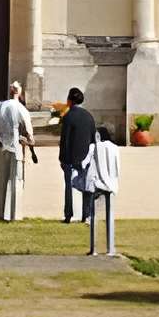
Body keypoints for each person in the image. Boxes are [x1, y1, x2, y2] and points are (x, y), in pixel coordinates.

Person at [0, 81, 35, 222]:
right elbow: (29, 132)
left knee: (0, 180)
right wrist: (29, 140)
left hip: (0, 146)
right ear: (19, 92)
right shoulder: (20, 108)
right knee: (15, 180)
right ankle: (14, 214)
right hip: (16, 147)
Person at [55, 87, 98, 223]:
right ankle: (86, 214)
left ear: (69, 100)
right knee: (86, 186)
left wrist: (62, 158)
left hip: (70, 157)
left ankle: (70, 214)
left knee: (70, 187)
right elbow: (93, 139)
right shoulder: (89, 116)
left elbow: (65, 140)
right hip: (86, 157)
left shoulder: (68, 117)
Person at [81, 126, 121, 256]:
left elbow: (84, 163)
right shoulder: (115, 148)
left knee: (94, 216)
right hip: (111, 184)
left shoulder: (94, 147)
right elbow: (117, 167)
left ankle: (94, 249)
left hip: (97, 183)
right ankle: (110, 249)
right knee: (110, 215)